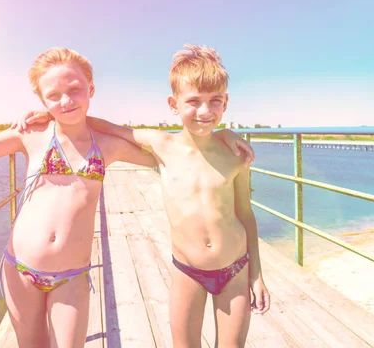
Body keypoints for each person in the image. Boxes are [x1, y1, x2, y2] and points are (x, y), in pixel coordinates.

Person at [0, 47, 255, 348]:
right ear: (40, 102)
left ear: (90, 89)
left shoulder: (107, 146)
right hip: (19, 269)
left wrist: (222, 134)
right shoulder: (32, 135)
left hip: (72, 278)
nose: (65, 101)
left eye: (74, 90)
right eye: (53, 96)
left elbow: (183, 155)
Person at [14, 44, 270, 347]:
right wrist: (51, 111)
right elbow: (98, 124)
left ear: (225, 102)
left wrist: (257, 275)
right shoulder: (161, 144)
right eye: (194, 101)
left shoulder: (236, 154)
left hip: (236, 270)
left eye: (215, 101)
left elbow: (246, 215)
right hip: (188, 272)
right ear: (173, 103)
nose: (205, 111)